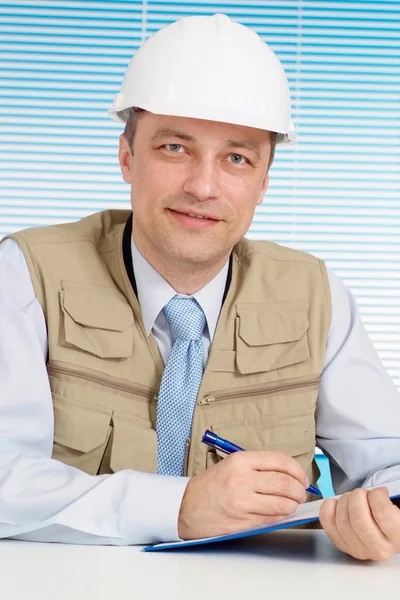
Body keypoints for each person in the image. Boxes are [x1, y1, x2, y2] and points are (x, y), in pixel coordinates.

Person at [0, 13, 399, 561]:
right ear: (127, 158)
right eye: (174, 149)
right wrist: (180, 506)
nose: (203, 186)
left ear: (262, 183)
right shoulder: (24, 275)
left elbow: (388, 461)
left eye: (236, 158)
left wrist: (384, 515)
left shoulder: (318, 296)